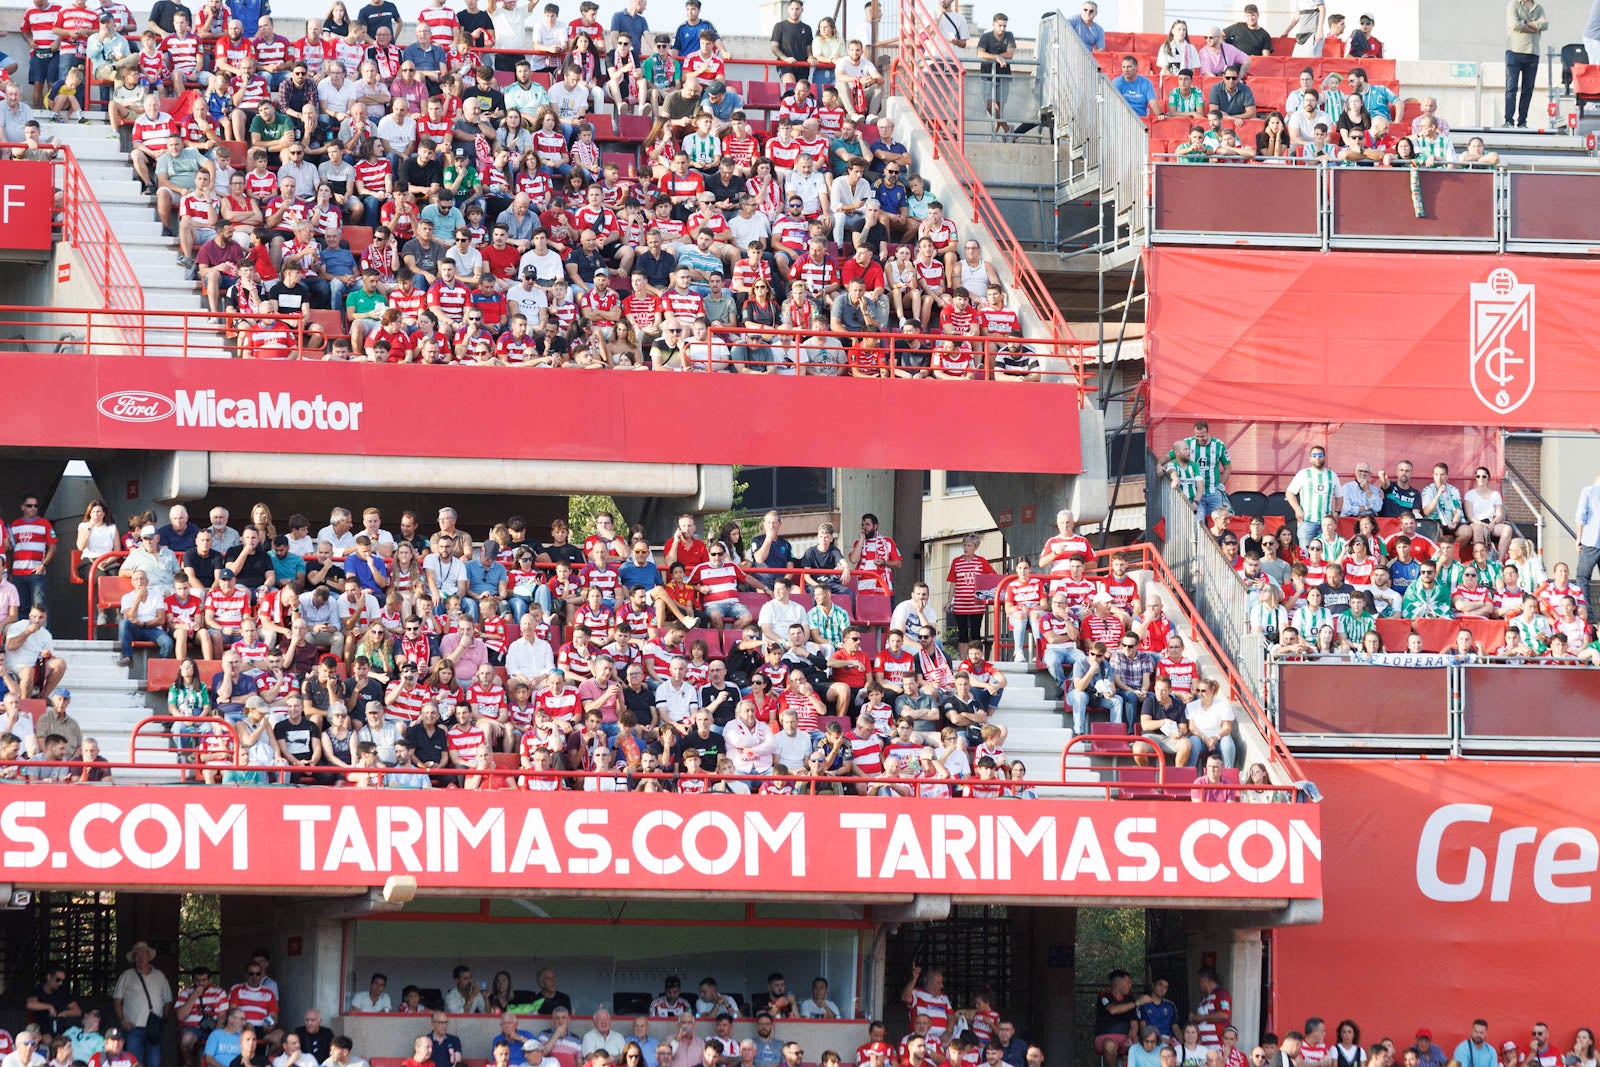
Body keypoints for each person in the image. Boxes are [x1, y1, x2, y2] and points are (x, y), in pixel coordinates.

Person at [115, 942, 173, 1067]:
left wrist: (163, 1022)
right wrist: (122, 1020)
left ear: (148, 957)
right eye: (137, 955)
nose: (140, 957)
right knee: (134, 1063)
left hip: (154, 1028)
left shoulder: (159, 976)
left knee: (154, 1063)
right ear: (134, 958)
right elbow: (117, 1000)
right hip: (133, 1027)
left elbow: (167, 1001)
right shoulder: (127, 975)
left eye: (143, 954)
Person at [1505, 0, 1547, 128]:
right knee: (1511, 88)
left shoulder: (1538, 7)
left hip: (1533, 53)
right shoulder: (1513, 4)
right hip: (1514, 51)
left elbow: (1545, 24)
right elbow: (1515, 25)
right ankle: (1508, 120)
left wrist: (1525, 23)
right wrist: (1535, 27)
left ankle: (1522, 121)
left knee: (1528, 90)